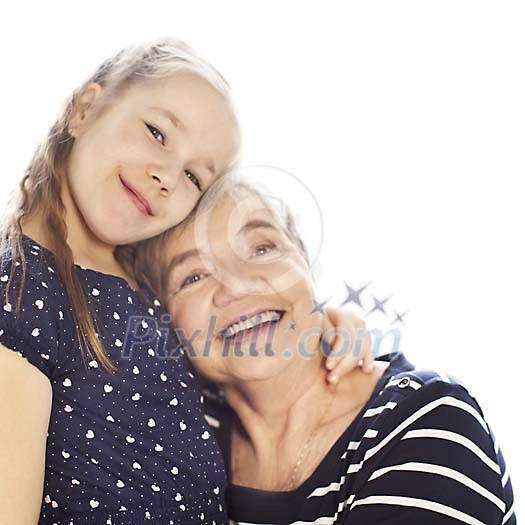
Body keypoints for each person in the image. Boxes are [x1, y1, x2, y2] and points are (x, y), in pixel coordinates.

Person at [0, 37, 372, 524]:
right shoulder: (20, 296)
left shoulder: (142, 285)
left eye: (195, 176)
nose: (167, 177)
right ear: (85, 109)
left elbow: (231, 344)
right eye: (157, 132)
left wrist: (324, 328)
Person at [147, 175, 517, 524]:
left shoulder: (424, 419)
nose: (236, 286)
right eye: (193, 276)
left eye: (262, 248)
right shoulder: (179, 430)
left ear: (307, 266)